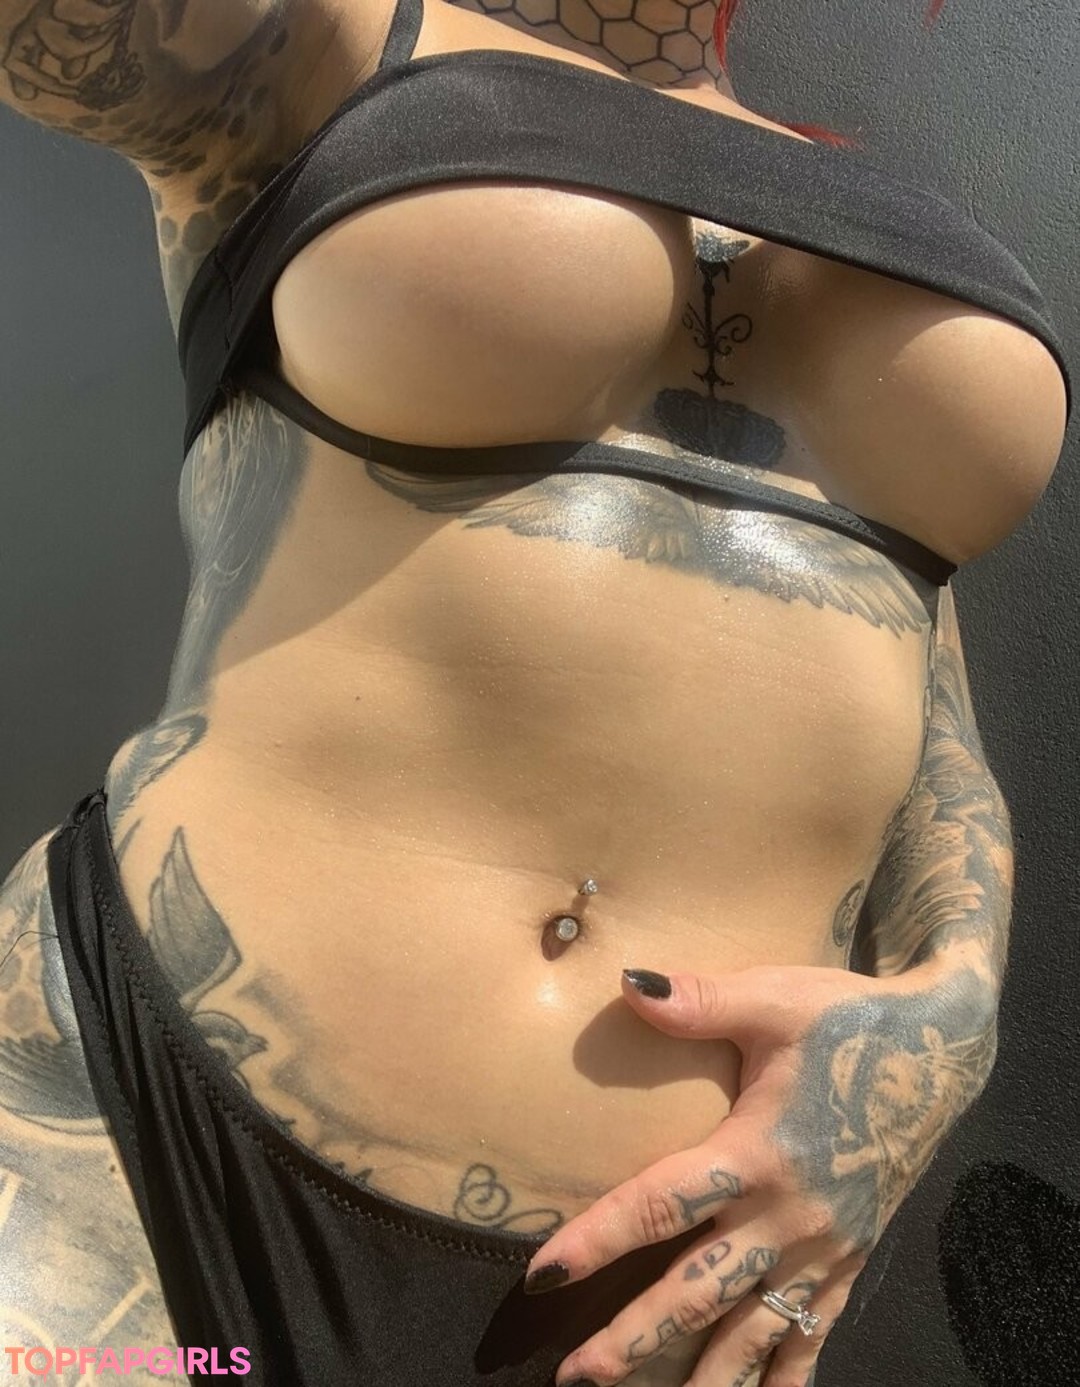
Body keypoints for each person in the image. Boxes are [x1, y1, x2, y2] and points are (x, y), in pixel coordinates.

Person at [0, 0, 1069, 1384]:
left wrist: (954, 1011)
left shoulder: (901, 222)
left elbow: (925, 707)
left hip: (661, 1276)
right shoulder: (320, 40)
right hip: (136, 1136)